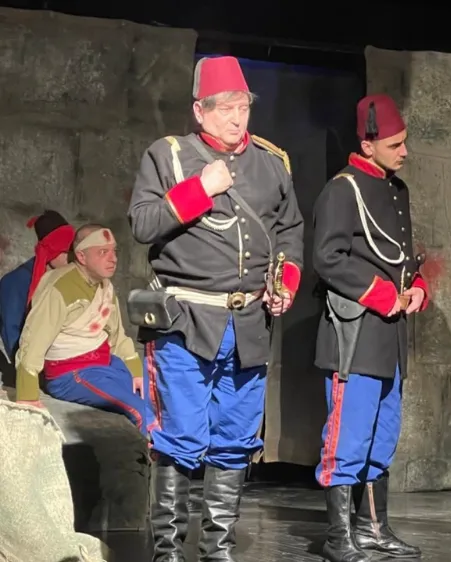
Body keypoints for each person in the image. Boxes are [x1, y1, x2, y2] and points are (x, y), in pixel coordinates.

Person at [127, 55, 305, 562]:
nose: (236, 119)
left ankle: (217, 549)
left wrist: (285, 283)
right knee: (180, 436)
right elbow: (143, 223)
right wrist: (201, 188)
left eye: (242, 107)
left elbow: (289, 232)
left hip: (248, 325)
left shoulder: (271, 164)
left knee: (235, 439)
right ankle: (167, 551)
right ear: (199, 111)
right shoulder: (168, 156)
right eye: (224, 108)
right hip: (186, 322)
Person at [312, 93, 429, 562]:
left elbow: (401, 256)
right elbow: (327, 258)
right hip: (355, 333)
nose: (405, 152)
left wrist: (416, 285)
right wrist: (383, 295)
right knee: (348, 437)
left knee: (383, 435)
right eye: (395, 145)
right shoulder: (343, 189)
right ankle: (338, 537)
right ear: (367, 144)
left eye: (405, 142)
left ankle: (374, 528)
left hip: (389, 336)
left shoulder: (397, 190)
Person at [13, 225, 147, 433]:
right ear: (82, 256)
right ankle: (153, 452)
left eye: (114, 251)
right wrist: (27, 395)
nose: (113, 259)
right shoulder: (59, 287)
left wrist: (136, 371)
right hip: (71, 373)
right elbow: (34, 339)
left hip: (105, 364)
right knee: (140, 411)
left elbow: (117, 336)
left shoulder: (106, 287)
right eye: (103, 252)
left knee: (156, 395)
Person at [0, 210, 73, 362]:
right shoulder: (15, 282)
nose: (72, 258)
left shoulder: (69, 277)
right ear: (50, 251)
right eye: (66, 251)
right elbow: (13, 337)